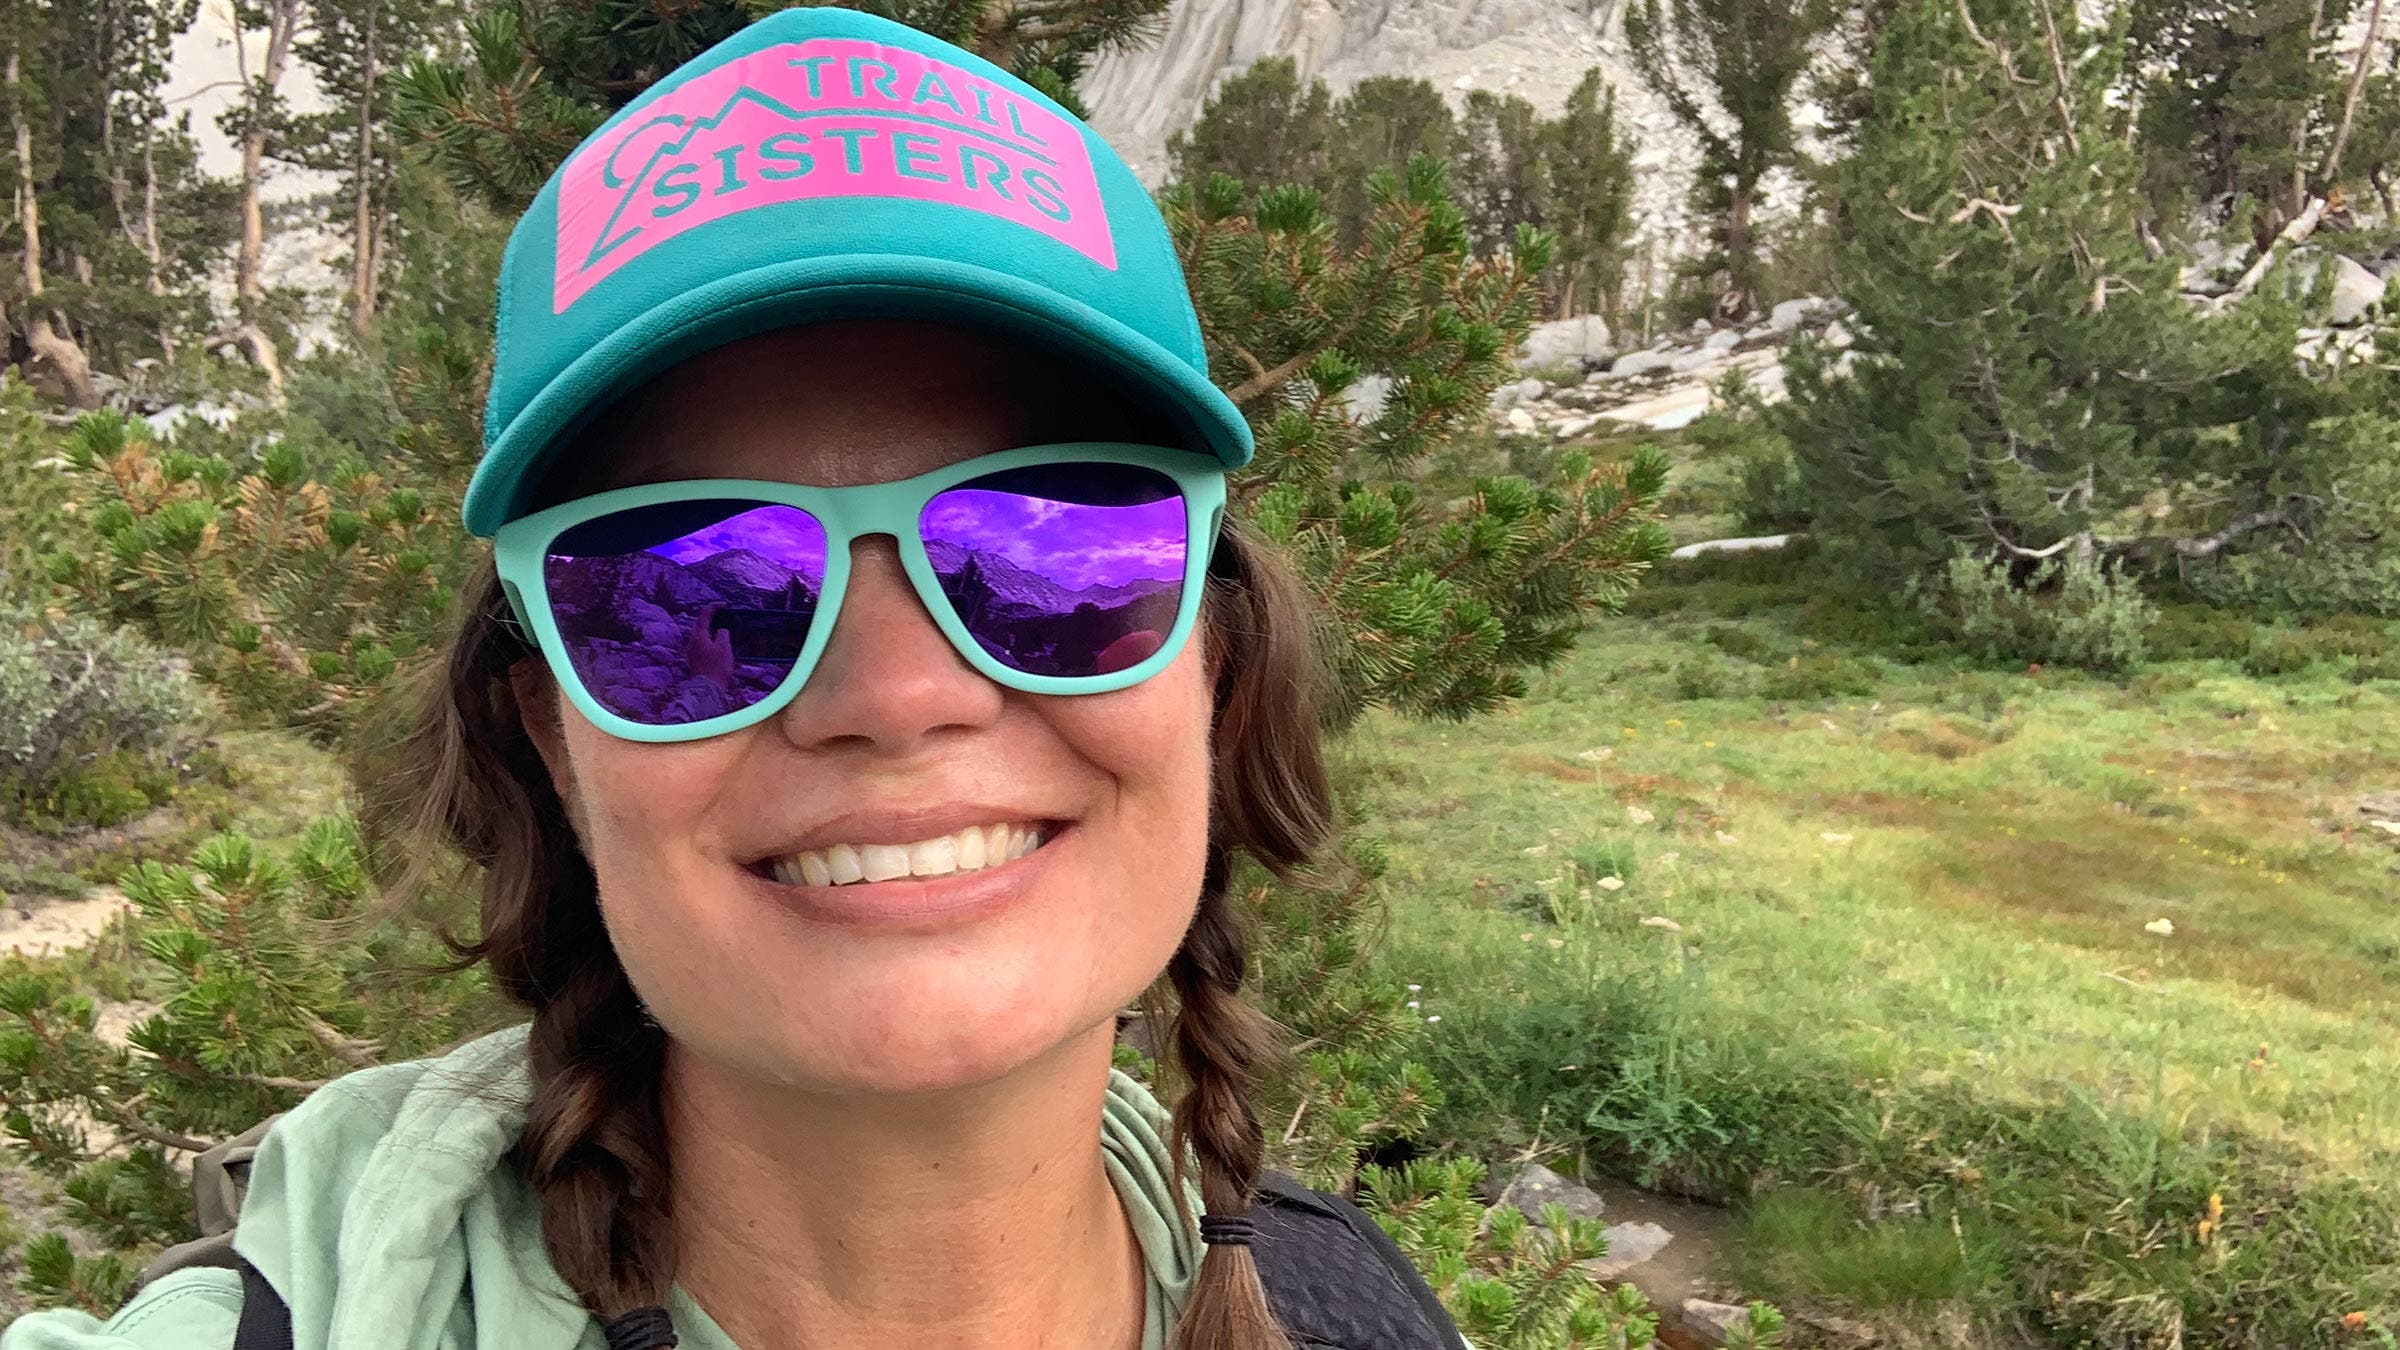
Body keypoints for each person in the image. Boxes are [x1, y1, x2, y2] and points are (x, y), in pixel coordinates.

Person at [0, 9, 1470, 1350]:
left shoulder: (1355, 1304)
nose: (894, 695)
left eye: (1047, 546)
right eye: (682, 583)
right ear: (557, 747)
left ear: (1211, 667)